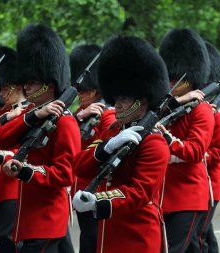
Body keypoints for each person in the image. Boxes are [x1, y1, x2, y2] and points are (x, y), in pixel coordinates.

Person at [72, 35, 170, 253]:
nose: (116, 105)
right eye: (115, 98)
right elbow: (79, 164)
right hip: (107, 232)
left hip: (137, 236)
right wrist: (106, 147)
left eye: (123, 99)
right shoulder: (113, 131)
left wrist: (97, 201)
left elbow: (140, 192)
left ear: (142, 100)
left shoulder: (154, 142)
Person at [0, 24, 80, 253]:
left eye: (32, 82)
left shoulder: (65, 122)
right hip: (28, 219)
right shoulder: (31, 115)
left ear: (49, 85)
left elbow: (65, 174)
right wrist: (32, 116)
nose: (26, 87)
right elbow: (0, 138)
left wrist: (25, 170)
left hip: (46, 219)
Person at [157, 28, 214, 253]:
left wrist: (167, 138)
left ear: (189, 78)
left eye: (175, 78)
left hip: (187, 197)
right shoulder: (166, 107)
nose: (169, 82)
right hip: (162, 194)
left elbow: (195, 151)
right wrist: (175, 101)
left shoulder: (202, 111)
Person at [70, 44, 116, 253]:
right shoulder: (78, 113)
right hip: (79, 187)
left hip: (97, 189)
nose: (79, 94)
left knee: (94, 242)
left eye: (84, 90)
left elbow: (104, 151)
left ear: (96, 90)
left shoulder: (108, 115)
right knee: (87, 240)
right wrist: (79, 117)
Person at [0, 45, 27, 253]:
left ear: (18, 87)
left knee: (9, 236)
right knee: (1, 236)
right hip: (0, 183)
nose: (1, 93)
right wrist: (5, 117)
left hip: (16, 182)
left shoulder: (31, 112)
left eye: (5, 88)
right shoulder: (4, 112)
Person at [192, 41, 220, 253]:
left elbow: (218, 152)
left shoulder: (219, 115)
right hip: (196, 180)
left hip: (210, 183)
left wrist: (190, 155)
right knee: (204, 232)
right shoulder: (198, 110)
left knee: (201, 233)